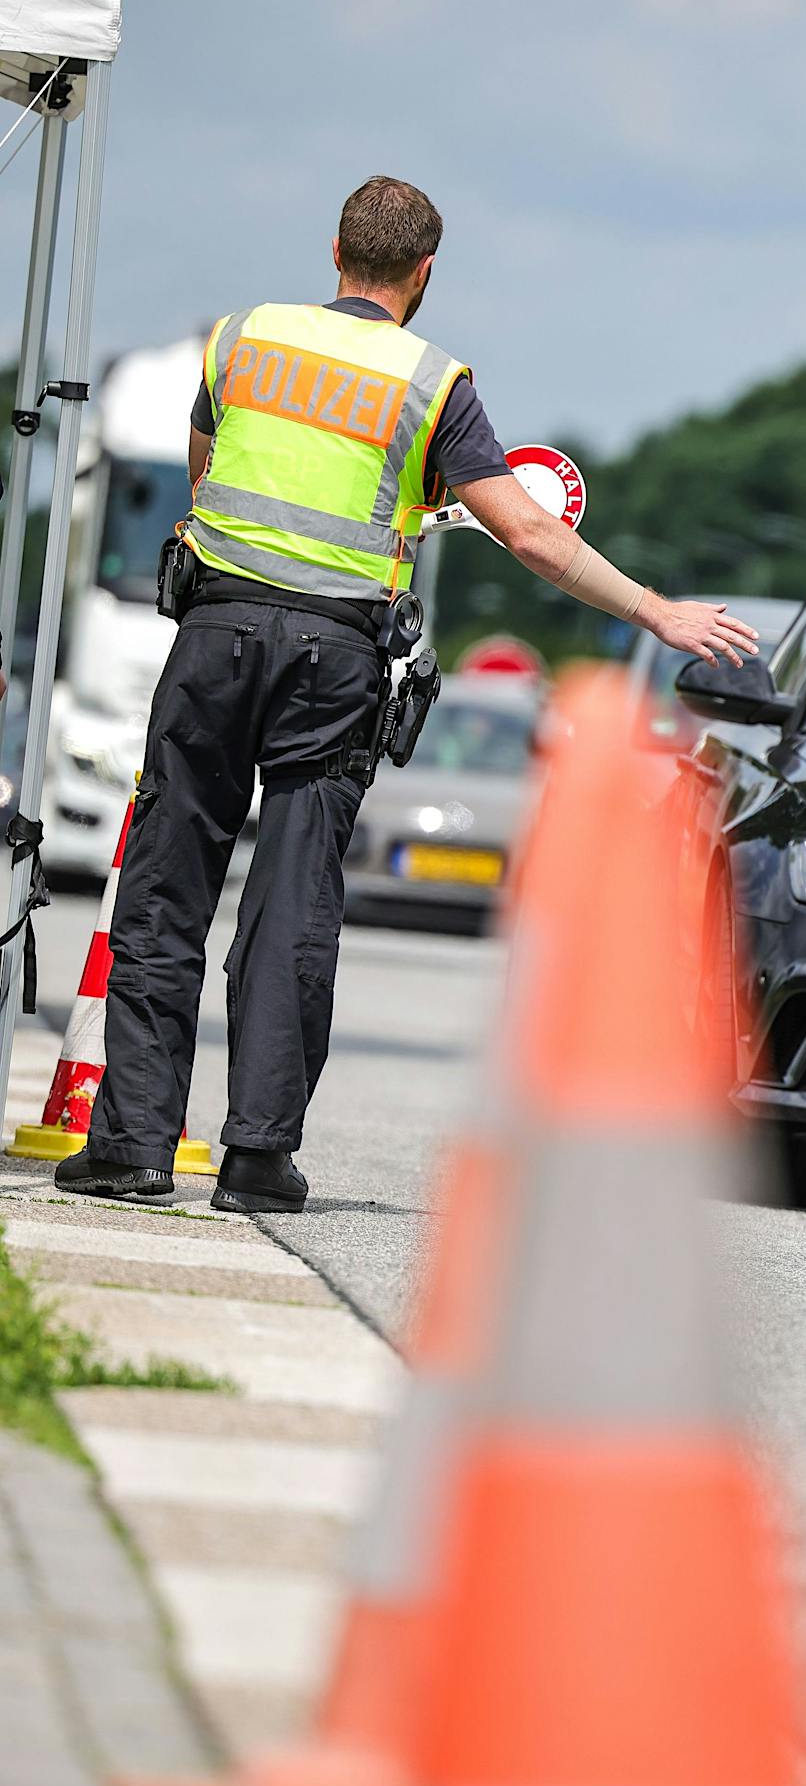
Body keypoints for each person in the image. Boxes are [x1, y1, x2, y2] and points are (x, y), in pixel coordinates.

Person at [56, 177, 758, 1212]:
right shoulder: (434, 383)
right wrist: (657, 611)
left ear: (333, 248)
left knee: (166, 888)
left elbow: (209, 467)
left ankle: (131, 1145)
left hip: (215, 634)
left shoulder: (243, 338)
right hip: (331, 661)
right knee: (292, 902)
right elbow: (529, 532)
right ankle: (254, 1158)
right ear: (424, 272)